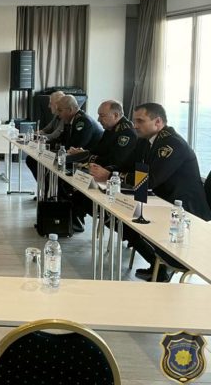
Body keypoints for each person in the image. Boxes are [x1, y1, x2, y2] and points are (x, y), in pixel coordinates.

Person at [89, 102, 210, 281]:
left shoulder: (171, 144)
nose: (135, 125)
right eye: (134, 120)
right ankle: (156, 263)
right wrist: (106, 170)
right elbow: (126, 165)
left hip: (183, 208)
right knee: (120, 219)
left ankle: (162, 267)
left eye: (140, 121)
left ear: (158, 122)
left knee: (131, 223)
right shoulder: (145, 140)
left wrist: (111, 175)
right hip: (161, 200)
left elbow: (151, 180)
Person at [67, 100, 138, 231]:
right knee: (70, 179)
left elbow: (115, 161)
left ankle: (84, 220)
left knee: (78, 187)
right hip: (103, 171)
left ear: (115, 115)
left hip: (115, 178)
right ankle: (72, 220)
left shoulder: (126, 133)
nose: (99, 119)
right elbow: (98, 150)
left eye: (102, 115)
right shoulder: (111, 129)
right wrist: (84, 152)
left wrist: (88, 157)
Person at [25, 90, 65, 180]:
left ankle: (45, 185)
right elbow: (46, 129)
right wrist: (34, 134)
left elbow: (54, 135)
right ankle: (43, 185)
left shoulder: (64, 117)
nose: (48, 106)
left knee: (33, 160)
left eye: (50, 103)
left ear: (57, 104)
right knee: (31, 159)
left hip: (58, 150)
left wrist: (39, 138)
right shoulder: (56, 116)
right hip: (51, 146)